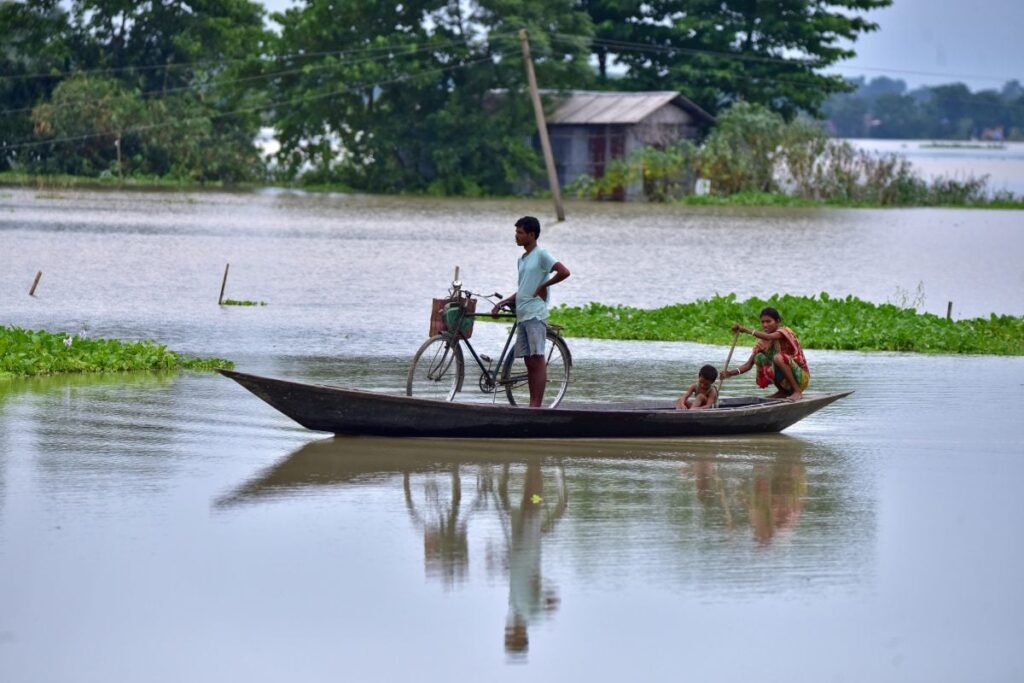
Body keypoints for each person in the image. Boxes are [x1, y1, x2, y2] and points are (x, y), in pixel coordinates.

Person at [492, 216, 571, 407]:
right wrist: (505, 301)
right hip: (523, 314)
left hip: (535, 313)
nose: (516, 236)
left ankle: (536, 406)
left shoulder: (541, 254)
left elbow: (564, 272)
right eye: (516, 232)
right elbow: (525, 288)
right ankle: (532, 404)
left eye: (520, 233)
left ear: (532, 235)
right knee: (529, 361)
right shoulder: (522, 259)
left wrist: (545, 285)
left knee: (537, 359)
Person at [722, 307, 809, 400]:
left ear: (777, 321)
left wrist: (746, 330)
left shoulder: (784, 331)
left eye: (768, 321)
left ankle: (797, 391)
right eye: (763, 322)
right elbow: (748, 365)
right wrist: (730, 373)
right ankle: (782, 391)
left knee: (778, 358)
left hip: (801, 378)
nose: (765, 325)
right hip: (785, 383)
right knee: (759, 357)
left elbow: (769, 337)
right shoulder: (762, 341)